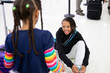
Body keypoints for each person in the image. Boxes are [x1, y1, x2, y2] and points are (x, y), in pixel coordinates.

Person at [3, 0, 65, 73]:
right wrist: (61, 66)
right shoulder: (45, 36)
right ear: (36, 13)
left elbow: (7, 64)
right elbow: (53, 66)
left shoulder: (10, 38)